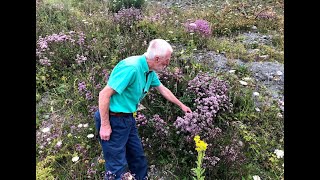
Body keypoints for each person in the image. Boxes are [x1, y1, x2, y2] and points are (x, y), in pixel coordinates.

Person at [94, 39, 192, 180]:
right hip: (113, 120)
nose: (168, 64)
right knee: (116, 167)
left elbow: (162, 89)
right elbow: (104, 94)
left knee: (137, 159)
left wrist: (181, 105)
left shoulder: (149, 71)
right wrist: (105, 125)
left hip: (128, 119)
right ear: (157, 58)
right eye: (167, 60)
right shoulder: (131, 68)